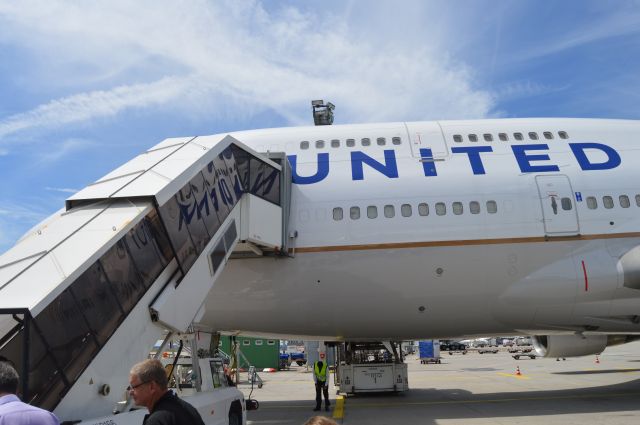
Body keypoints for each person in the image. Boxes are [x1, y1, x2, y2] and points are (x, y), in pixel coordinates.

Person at [129, 359, 205, 425]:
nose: (130, 392)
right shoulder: (189, 409)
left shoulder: (157, 421)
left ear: (151, 386)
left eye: (134, 387)